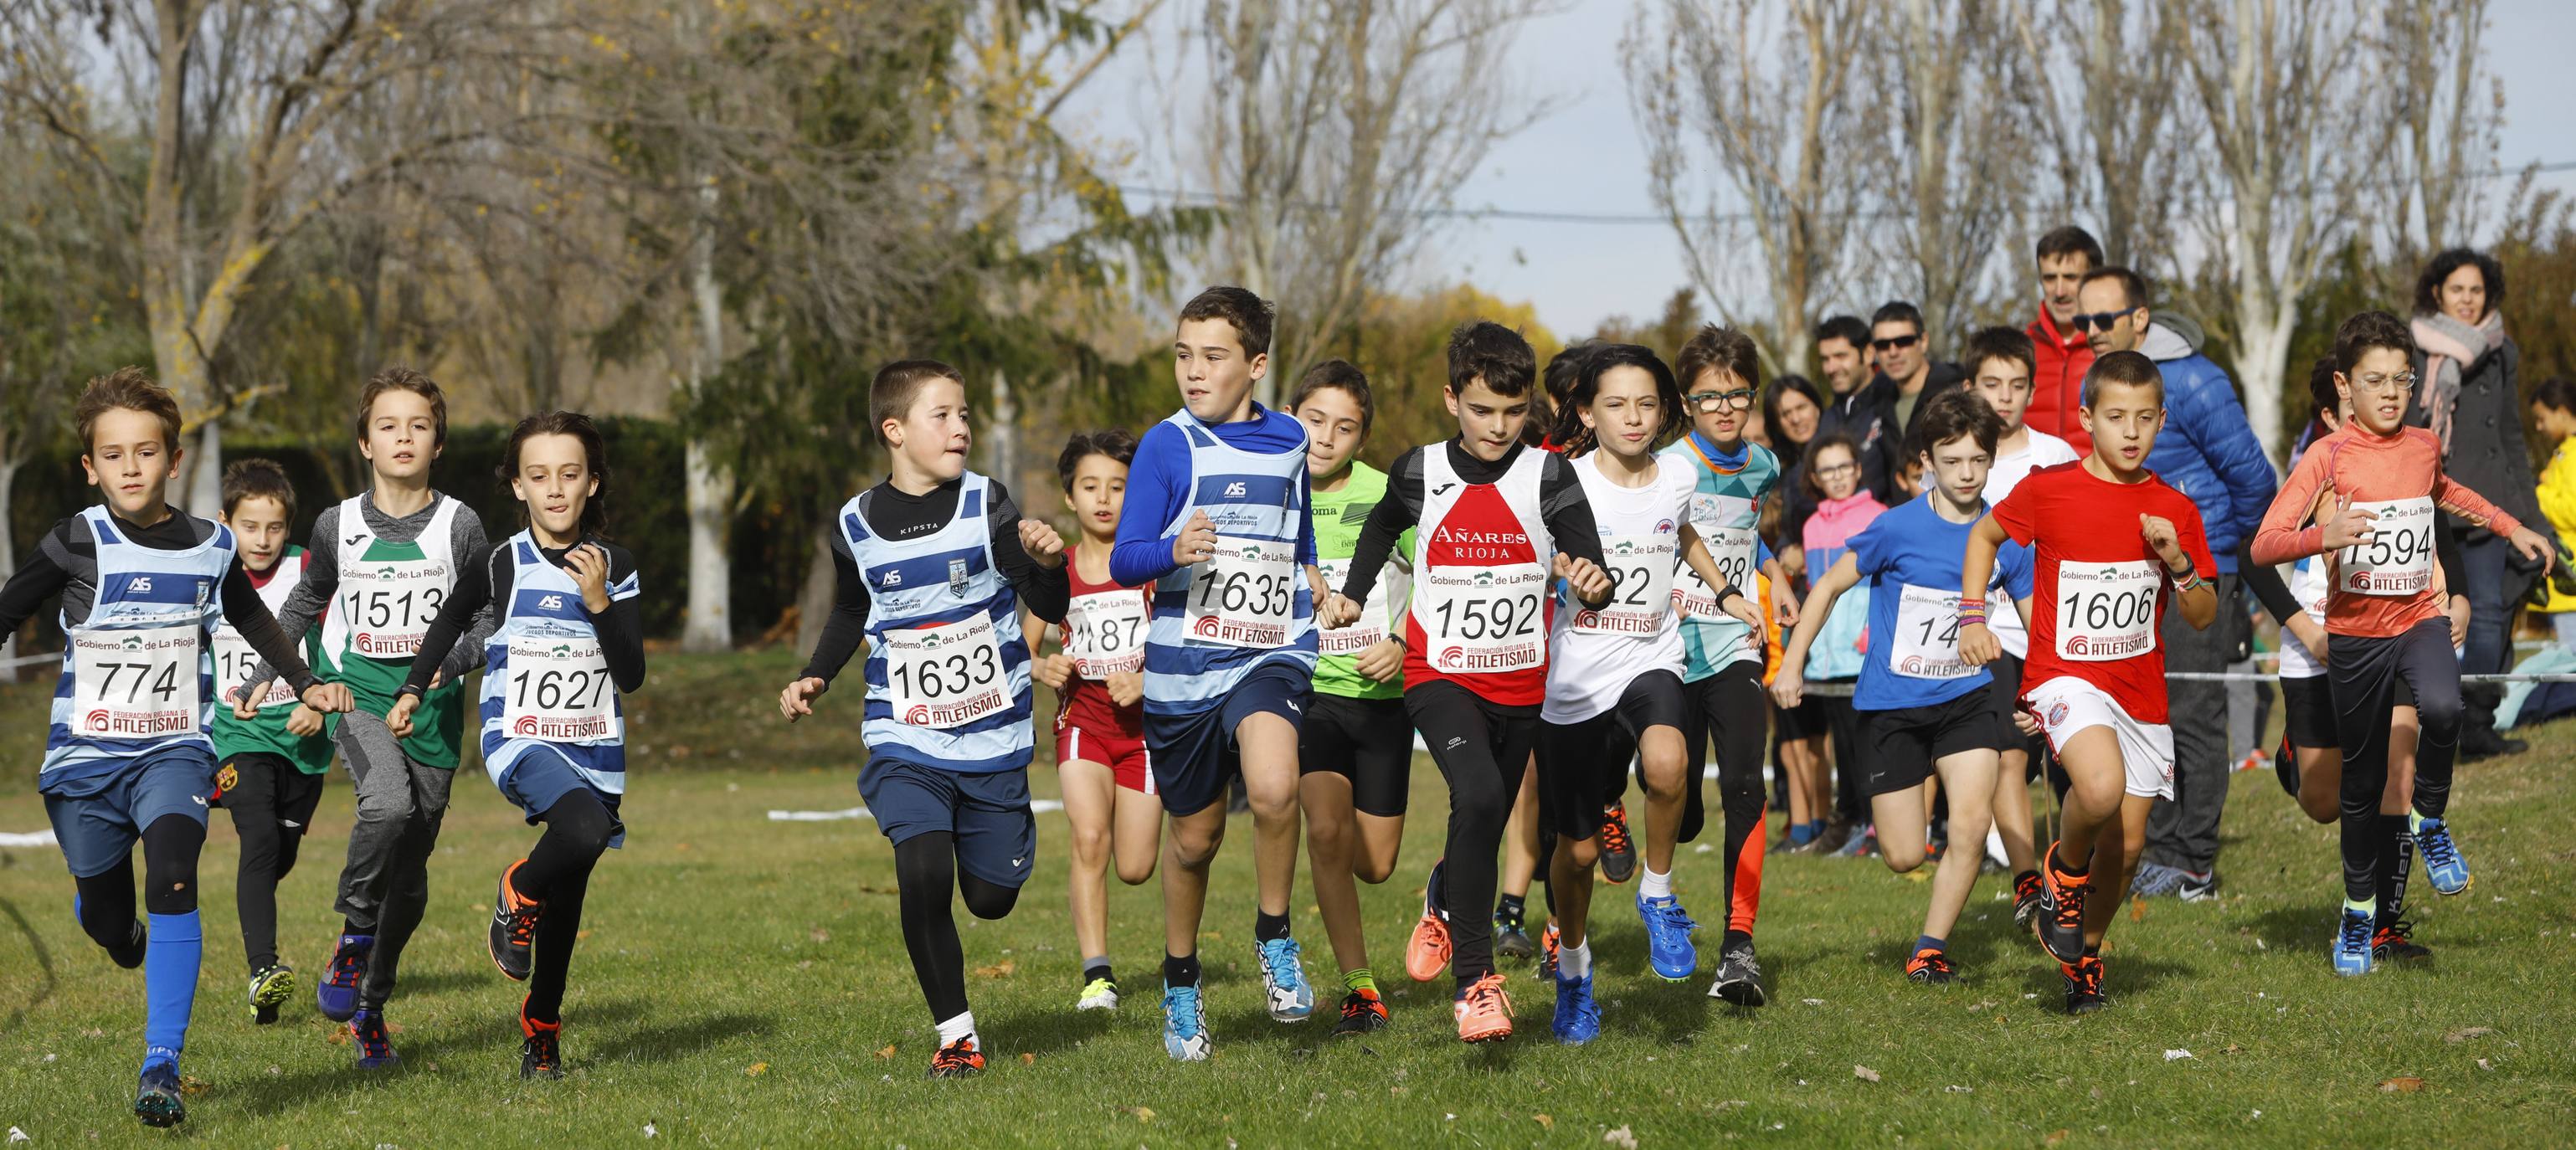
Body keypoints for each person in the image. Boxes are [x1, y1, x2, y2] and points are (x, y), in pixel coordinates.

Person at [0, 369, 352, 1127]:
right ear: (90, 467)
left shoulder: (210, 546)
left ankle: (161, 1063)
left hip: (174, 752)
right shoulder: (74, 542)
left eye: (146, 451)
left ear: (174, 461)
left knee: (174, 874)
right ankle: (114, 926)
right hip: (83, 764)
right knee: (107, 916)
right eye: (114, 454)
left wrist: (304, 681)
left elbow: (254, 619)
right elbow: (7, 610)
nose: (131, 467)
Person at [1326, 319, 1616, 1045]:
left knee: (1481, 823)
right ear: (1451, 398)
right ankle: (1475, 986)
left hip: (1521, 682)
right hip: (1436, 673)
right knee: (1481, 796)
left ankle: (1442, 893)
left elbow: (1592, 566)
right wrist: (1357, 595)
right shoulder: (1419, 471)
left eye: (1514, 413)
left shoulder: (1548, 474)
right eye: (1483, 410)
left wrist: (1592, 581)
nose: (1498, 427)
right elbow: (1376, 527)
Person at [778, 360, 1071, 1076]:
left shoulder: (987, 504)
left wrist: (1051, 564)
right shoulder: (853, 524)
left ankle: (1001, 846)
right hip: (903, 733)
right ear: (895, 430)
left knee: (991, 898)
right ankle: (957, 1036)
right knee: (921, 869)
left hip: (994, 733)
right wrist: (817, 671)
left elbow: (1051, 605)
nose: (961, 427)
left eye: (965, 414)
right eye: (943, 415)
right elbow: (853, 609)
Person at [2251, 311, 2553, 975]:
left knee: (2444, 709)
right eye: (2373, 380)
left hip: (2417, 619)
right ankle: (2359, 916)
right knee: (2356, 792)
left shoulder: (2420, 445)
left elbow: (2446, 494)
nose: (2390, 392)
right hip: (2354, 638)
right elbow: (2263, 543)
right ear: (2343, 386)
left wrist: (2513, 529)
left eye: (2401, 379)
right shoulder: (2324, 457)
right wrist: (2318, 537)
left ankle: (2431, 820)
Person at [244, 367, 494, 1067]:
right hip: (357, 699)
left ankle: (371, 1009)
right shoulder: (337, 525)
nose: (404, 436)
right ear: (365, 442)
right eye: (388, 425)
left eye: (418, 425)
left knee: (410, 880)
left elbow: (485, 614)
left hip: (434, 715)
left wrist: (454, 662)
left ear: (438, 442)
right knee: (384, 807)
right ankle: (354, 931)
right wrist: (270, 673)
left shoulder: (460, 525)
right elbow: (301, 603)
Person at [1959, 349, 2219, 1014]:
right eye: (2113, 417)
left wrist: (2178, 561)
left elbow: (2201, 610)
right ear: (2085, 419)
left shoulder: (2171, 507)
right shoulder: (2050, 489)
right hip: (2064, 678)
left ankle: (2084, 963)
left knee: (2128, 847)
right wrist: (1970, 616)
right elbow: (1983, 538)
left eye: (2142, 419)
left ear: (2161, 420)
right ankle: (2061, 873)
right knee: (2096, 789)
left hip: (2139, 692)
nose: (2129, 433)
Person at [386, 411, 645, 1078]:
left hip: (594, 745)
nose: (555, 489)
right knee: (581, 834)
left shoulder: (615, 565)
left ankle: (542, 1029)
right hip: (520, 738)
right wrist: (415, 688)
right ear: (517, 486)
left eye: (569, 474)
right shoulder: (501, 561)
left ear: (592, 484)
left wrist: (599, 602)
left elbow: (632, 674)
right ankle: (516, 887)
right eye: (539, 476)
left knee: (570, 894)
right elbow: (447, 622)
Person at [1108, 286, 1329, 1060]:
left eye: (1212, 356)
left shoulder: (1293, 439)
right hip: (1183, 670)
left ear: (1256, 365)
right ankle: (1179, 979)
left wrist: (1314, 579)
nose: (1192, 372)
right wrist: (1172, 549)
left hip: (1269, 650)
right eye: (1182, 355)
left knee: (1274, 787)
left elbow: (1294, 527)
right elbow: (1123, 554)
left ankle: (1274, 937)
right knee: (1194, 842)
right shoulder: (1168, 445)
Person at [1533, 344, 1761, 1040]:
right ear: (1584, 412)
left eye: (1645, 404)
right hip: (1575, 675)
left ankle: (1657, 894)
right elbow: (1538, 564)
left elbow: (1683, 531)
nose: (1632, 418)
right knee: (1573, 856)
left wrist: (1723, 590)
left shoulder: (1678, 474)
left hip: (1650, 655)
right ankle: (1573, 969)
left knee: (1667, 765)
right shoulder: (1559, 482)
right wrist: (1566, 577)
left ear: (1664, 411)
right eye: (1614, 404)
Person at [1776, 389, 2033, 984]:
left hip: (1968, 698)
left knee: (1968, 824)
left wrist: (2042, 692)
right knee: (1902, 855)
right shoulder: (1894, 528)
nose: (1966, 473)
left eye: (1976, 460)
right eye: (1952, 461)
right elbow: (1826, 588)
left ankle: (1930, 948)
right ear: (1925, 462)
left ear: (1989, 460)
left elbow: (2032, 623)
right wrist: (1791, 664)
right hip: (1892, 707)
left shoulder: (2006, 538)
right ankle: (1912, 814)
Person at [2069, 266, 2275, 901]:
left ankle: (2193, 861)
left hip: (2197, 572)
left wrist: (2219, 560)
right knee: (2138, 712)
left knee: (2193, 713)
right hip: (2124, 578)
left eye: (2104, 319)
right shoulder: (2100, 380)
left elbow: (2254, 482)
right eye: (2082, 322)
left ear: (2139, 317)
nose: (2092, 332)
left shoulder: (2196, 381)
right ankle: (2155, 849)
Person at [2247, 358, 2458, 966]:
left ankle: (2381, 925)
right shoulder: (2313, 469)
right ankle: (2293, 754)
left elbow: (2434, 526)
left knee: (2395, 774)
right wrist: (2306, 631)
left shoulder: (2403, 460)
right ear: (2330, 415)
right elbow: (2252, 555)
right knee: (2323, 801)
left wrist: (2459, 595)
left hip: (2388, 636)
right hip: (2317, 647)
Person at [1659, 325, 1800, 1003]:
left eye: (1736, 395)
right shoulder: (1666, 466)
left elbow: (1747, 535)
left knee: (1745, 784)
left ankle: (1738, 947)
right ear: (1686, 402)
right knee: (1678, 805)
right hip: (1666, 646)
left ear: (1751, 398)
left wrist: (1778, 578)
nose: (1723, 408)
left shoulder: (1765, 466)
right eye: (1709, 396)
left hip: (1736, 643)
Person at [1286, 362, 1412, 1036]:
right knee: (1326, 830)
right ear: (1291, 417)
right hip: (1306, 697)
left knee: (1376, 863)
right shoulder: (1270, 493)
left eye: (1345, 427)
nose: (1326, 438)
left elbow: (1435, 573)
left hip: (1382, 700)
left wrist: (1399, 639)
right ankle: (1359, 986)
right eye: (1314, 421)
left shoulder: (1389, 493)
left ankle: (1444, 890)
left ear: (1361, 438)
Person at [1026, 429, 1159, 1014]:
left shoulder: (1152, 565)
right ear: (1070, 497)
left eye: (1118, 487)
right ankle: (1096, 977)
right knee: (1088, 838)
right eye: (1090, 486)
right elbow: (1020, 651)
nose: (1104, 498)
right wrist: (1042, 666)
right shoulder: (1056, 575)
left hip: (1146, 734)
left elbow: (1189, 644)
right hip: (1082, 723)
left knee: (1134, 867)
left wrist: (1149, 679)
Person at [203, 460, 334, 1026]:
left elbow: (341, 646)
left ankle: (262, 962)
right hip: (238, 737)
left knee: (278, 855)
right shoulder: (205, 576)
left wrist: (318, 704)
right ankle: (264, 970)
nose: (261, 540)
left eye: (274, 527)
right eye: (249, 526)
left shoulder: (309, 570)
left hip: (302, 743)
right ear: (224, 521)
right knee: (256, 839)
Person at [2407, 247, 2544, 760]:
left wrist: (2529, 514)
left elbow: (2510, 434)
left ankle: (2475, 723)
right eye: (2457, 289)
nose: (2467, 300)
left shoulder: (2501, 349)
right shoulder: (2411, 346)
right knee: (2419, 616)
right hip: (2424, 500)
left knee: (2488, 612)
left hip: (2487, 500)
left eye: (2477, 290)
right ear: (2437, 292)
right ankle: (2425, 723)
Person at [1962, 326, 2078, 927]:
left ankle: (2073, 873)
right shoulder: (1957, 459)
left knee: (2071, 764)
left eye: (2016, 386)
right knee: (2010, 754)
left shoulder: (2056, 456)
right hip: (1989, 635)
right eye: (1990, 385)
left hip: (2053, 629)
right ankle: (2026, 879)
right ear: (1968, 387)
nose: (2003, 398)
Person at [1796, 432, 1880, 859]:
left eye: (1845, 467)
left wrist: (1871, 634)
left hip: (1862, 653)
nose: (1839, 477)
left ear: (1858, 468)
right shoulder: (1811, 526)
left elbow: (1884, 587)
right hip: (1825, 659)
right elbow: (1818, 591)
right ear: (1816, 477)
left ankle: (1871, 826)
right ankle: (1846, 818)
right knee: (1841, 747)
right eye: (1828, 470)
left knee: (1863, 746)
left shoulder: (1878, 517)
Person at [2023, 226, 2104, 454]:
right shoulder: (2021, 351)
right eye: (2050, 278)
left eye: (2070, 277)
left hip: (2099, 486)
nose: (2059, 291)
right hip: (2034, 485)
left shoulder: (2115, 347)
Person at [2532, 377, 2576, 646]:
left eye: (2542, 418)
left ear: (2561, 411)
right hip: (2564, 587)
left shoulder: (2573, 456)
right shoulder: (2562, 454)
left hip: (2571, 584)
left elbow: (2572, 509)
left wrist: (2538, 496)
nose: (2538, 427)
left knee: (2569, 667)